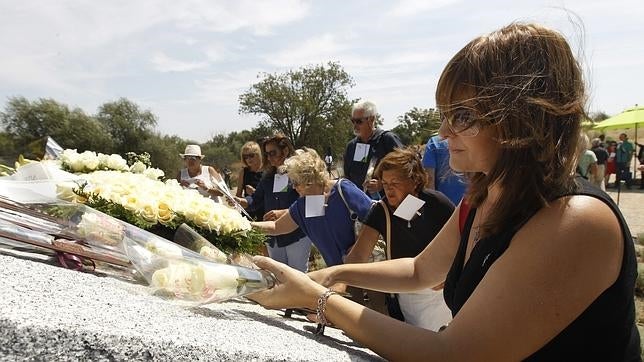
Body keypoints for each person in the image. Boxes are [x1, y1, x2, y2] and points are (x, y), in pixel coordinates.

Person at [249, 23, 640, 360]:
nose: (443, 132)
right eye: (444, 115)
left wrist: (317, 299)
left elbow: (454, 354)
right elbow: (420, 269)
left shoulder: (575, 222)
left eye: (463, 116)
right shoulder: (482, 196)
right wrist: (334, 273)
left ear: (523, 118)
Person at [343, 147, 454, 331]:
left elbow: (465, 240)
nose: (388, 189)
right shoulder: (381, 211)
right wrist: (337, 283)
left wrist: (451, 273)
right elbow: (358, 256)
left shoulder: (437, 203)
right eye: (385, 183)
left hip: (442, 291)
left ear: (415, 180)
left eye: (395, 182)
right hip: (409, 293)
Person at [251, 147, 374, 267]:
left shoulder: (343, 190)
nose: (293, 187)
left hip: (366, 268)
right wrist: (245, 225)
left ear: (309, 179)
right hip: (338, 274)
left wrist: (360, 247)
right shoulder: (303, 205)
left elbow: (375, 215)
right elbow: (276, 226)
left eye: (296, 182)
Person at [234, 135, 311, 272]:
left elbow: (308, 202)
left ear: (285, 151)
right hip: (274, 238)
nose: (269, 158)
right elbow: (256, 199)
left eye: (272, 153)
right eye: (266, 154)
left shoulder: (300, 173)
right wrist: (242, 201)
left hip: (296, 235)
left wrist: (284, 212)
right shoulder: (268, 176)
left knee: (297, 275)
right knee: (278, 276)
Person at [343, 100, 403, 200]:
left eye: (359, 121)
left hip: (386, 203)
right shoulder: (351, 146)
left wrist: (382, 184)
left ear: (372, 119)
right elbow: (348, 177)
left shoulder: (387, 140)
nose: (355, 125)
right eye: (352, 121)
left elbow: (404, 170)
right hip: (359, 205)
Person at [422, 134, 466, 205]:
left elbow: (429, 178)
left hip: (443, 206)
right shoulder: (471, 140)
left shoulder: (434, 142)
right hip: (470, 205)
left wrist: (432, 206)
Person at [235, 141, 264, 220]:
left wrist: (255, 193)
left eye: (251, 155)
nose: (248, 159)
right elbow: (238, 194)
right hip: (248, 211)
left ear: (258, 154)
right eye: (245, 157)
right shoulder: (243, 172)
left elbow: (271, 196)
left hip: (264, 212)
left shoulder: (267, 171)